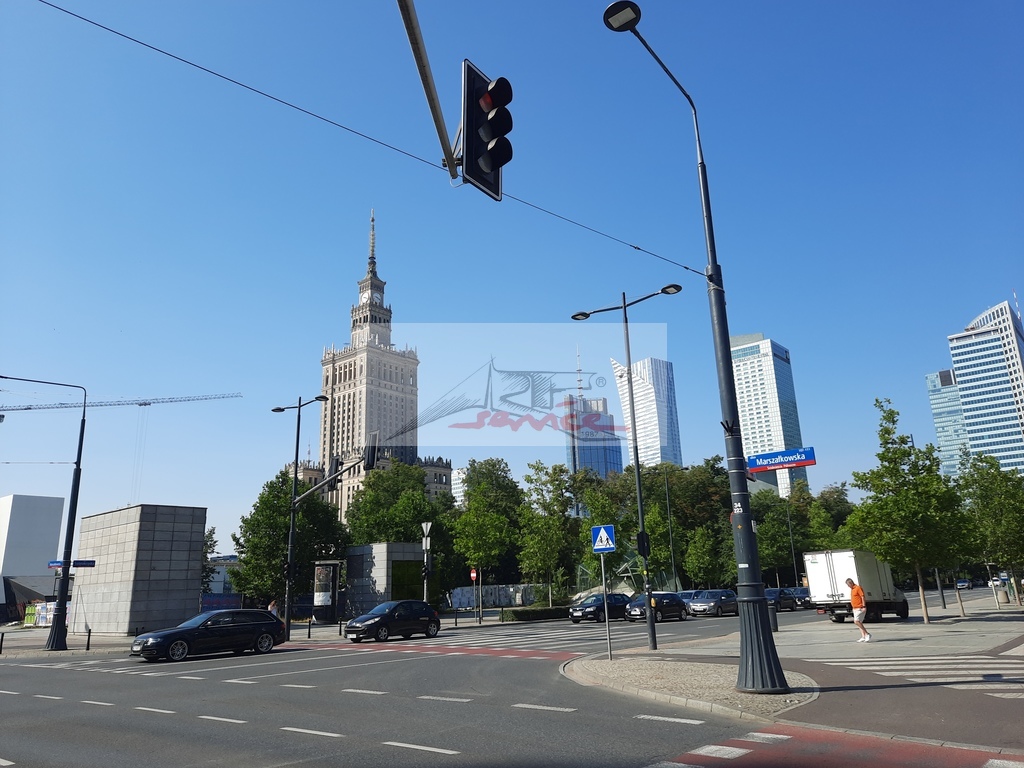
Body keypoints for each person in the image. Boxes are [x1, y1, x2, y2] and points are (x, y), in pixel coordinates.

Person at [846, 578, 870, 642]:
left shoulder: (858, 588)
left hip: (860, 608)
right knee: (859, 623)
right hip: (855, 608)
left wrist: (864, 606)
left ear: (851, 583)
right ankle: (863, 636)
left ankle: (867, 634)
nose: (848, 586)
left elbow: (862, 596)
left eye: (848, 585)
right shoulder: (852, 589)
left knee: (856, 621)